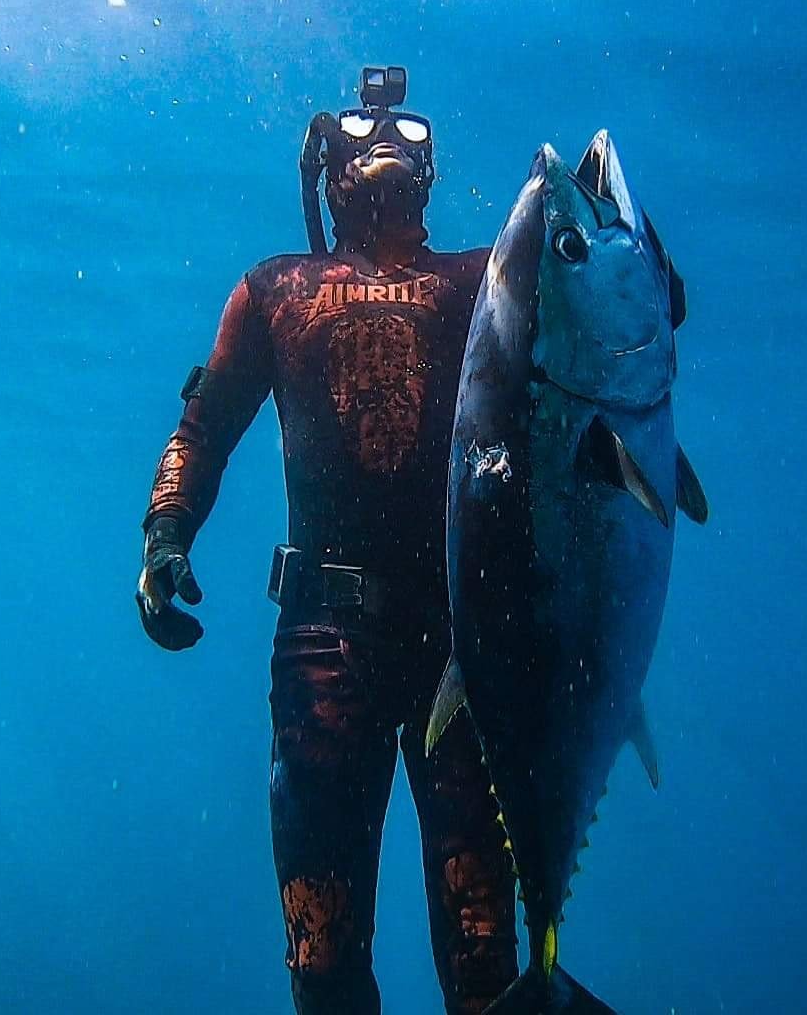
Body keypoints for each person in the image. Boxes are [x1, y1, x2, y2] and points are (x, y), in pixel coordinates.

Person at [135, 67, 518, 1014]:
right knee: (322, 949)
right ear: (323, 168)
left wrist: (649, 268)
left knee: (483, 950)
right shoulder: (276, 290)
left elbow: (622, 309)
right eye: (363, 133)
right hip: (331, 644)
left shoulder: (485, 279)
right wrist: (165, 537)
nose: (389, 143)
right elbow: (206, 423)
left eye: (408, 134)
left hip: (458, 643)